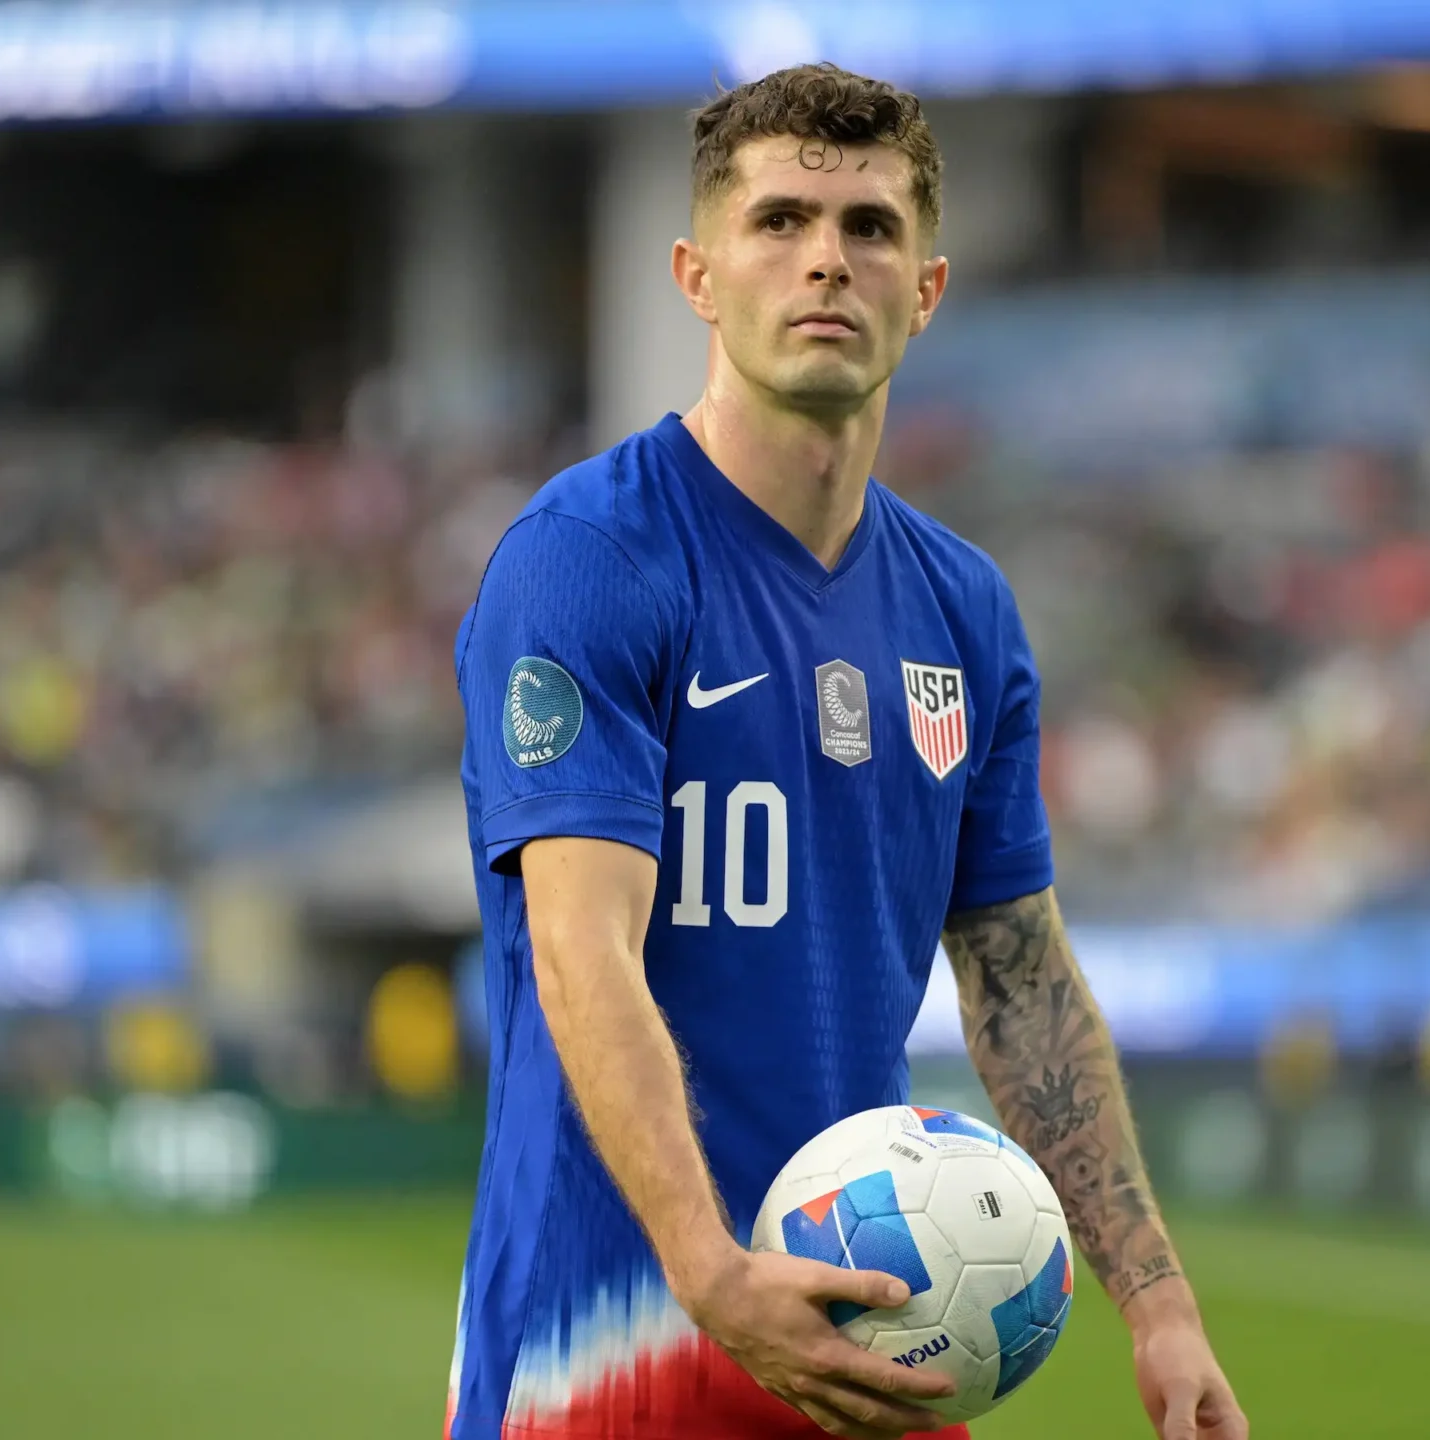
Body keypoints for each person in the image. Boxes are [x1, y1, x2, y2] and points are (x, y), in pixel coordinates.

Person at [446, 64, 1248, 1440]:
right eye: (780, 221)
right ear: (698, 276)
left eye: (870, 226)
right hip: (609, 1353)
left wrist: (1162, 1305)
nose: (827, 257)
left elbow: (1022, 981)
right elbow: (586, 955)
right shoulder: (589, 563)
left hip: (875, 1342)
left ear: (926, 290)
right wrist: (711, 1275)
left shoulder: (965, 611)